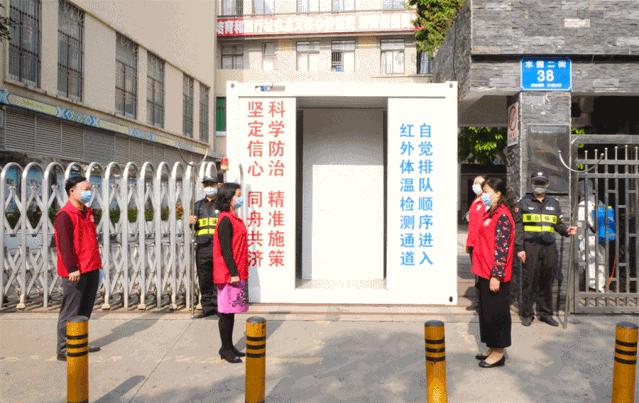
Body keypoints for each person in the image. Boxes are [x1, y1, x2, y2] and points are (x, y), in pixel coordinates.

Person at [515, 171, 576, 327]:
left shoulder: (554, 203)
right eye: (537, 182)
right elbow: (518, 228)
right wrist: (520, 248)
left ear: (547, 184)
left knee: (547, 281)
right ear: (531, 183)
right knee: (529, 280)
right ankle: (527, 314)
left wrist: (566, 230)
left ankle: (545, 314)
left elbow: (558, 224)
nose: (539, 186)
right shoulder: (523, 203)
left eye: (542, 183)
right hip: (530, 247)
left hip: (549, 247)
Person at [54, 175, 102, 361]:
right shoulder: (64, 215)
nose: (89, 192)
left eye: (90, 189)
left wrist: (98, 264)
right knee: (71, 311)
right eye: (85, 189)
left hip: (91, 267)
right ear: (72, 192)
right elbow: (64, 245)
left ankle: (79, 342)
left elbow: (89, 240)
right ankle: (64, 348)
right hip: (75, 271)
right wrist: (72, 268)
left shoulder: (87, 212)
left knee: (84, 310)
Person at [472, 177, 515, 368]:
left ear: (498, 194)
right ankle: (491, 346)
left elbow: (502, 248)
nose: (484, 195)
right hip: (484, 270)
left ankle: (499, 352)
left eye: (487, 191)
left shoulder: (503, 216)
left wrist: (496, 275)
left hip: (494, 274)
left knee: (497, 313)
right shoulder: (490, 212)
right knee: (487, 312)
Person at [213, 183, 249, 363]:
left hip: (236, 271)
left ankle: (229, 346)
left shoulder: (233, 217)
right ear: (228, 198)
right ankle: (225, 349)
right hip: (229, 274)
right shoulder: (225, 220)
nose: (240, 198)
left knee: (231, 312)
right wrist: (233, 272)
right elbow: (226, 250)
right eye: (237, 195)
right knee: (226, 313)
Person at [189, 176, 220, 319]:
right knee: (204, 277)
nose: (209, 187)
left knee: (218, 277)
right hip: (202, 246)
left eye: (211, 184)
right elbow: (193, 228)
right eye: (206, 184)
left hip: (218, 246)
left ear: (217, 185)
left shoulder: (221, 205)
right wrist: (191, 222)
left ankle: (218, 307)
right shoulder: (198, 205)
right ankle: (207, 308)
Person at [577, 181, 606, 293]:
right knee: (601, 259)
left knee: (590, 260)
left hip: (589, 235)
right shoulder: (599, 201)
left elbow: (581, 222)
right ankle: (601, 285)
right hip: (602, 235)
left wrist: (579, 238)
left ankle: (593, 286)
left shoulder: (583, 204)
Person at [465, 176, 485, 311]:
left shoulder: (486, 199)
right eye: (474, 183)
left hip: (481, 243)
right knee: (477, 273)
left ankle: (482, 302)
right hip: (473, 243)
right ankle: (479, 301)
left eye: (479, 183)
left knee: (482, 273)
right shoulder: (475, 200)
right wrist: (468, 243)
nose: (475, 185)